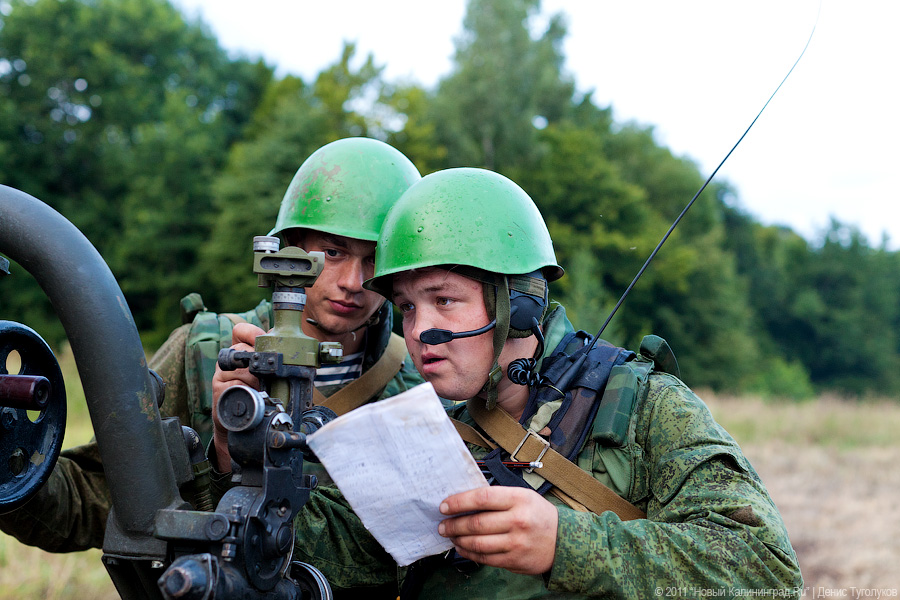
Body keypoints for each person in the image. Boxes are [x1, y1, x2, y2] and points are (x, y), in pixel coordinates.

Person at [287, 167, 803, 597]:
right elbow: (348, 552)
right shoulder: (436, 437)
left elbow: (768, 572)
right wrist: (229, 452)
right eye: (406, 307)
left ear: (518, 305)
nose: (420, 331)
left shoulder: (644, 406)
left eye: (443, 300)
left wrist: (565, 545)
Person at [0, 137, 426, 552]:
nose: (352, 282)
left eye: (373, 260)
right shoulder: (201, 353)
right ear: (291, 248)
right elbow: (92, 499)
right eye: (333, 252)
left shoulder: (422, 374)